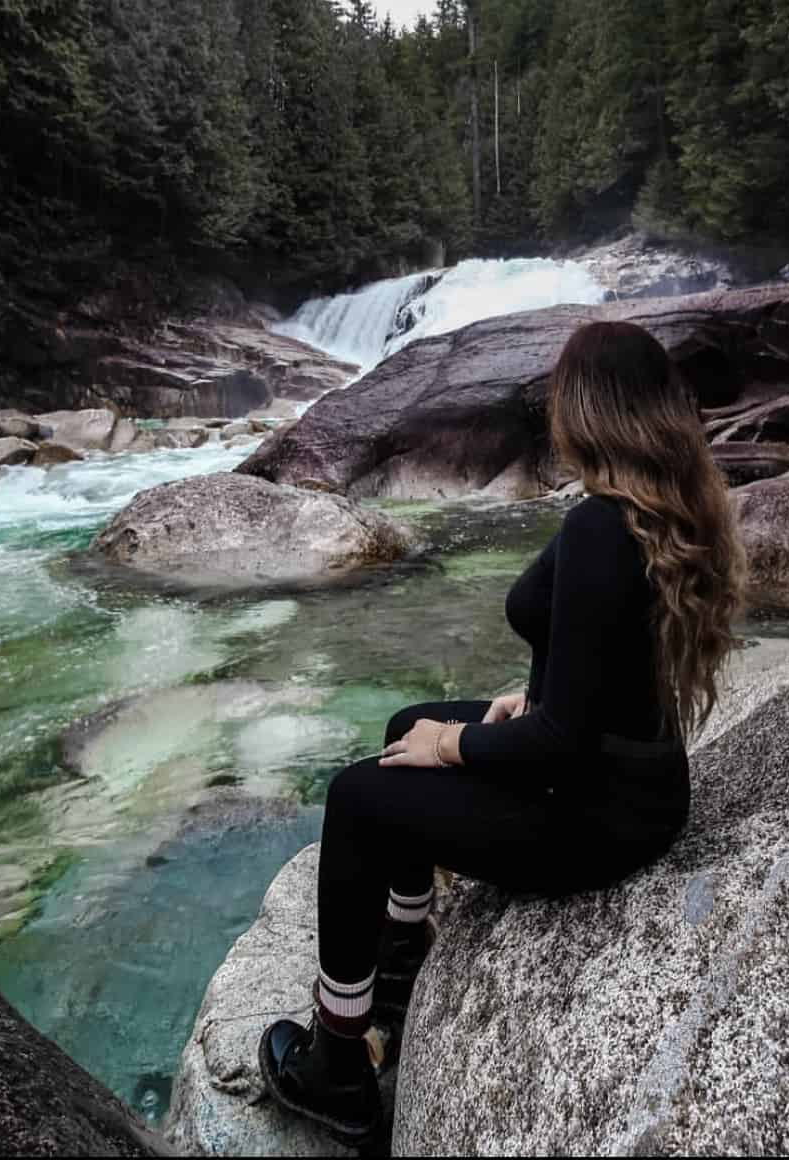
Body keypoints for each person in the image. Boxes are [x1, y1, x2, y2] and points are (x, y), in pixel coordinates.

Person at [258, 320, 747, 1145]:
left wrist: (458, 749)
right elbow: (609, 671)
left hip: (595, 818)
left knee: (358, 796)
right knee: (404, 724)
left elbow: (564, 743)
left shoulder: (605, 525)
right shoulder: (662, 508)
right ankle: (404, 954)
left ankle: (336, 1065)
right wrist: (536, 697)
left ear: (584, 409)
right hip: (626, 782)